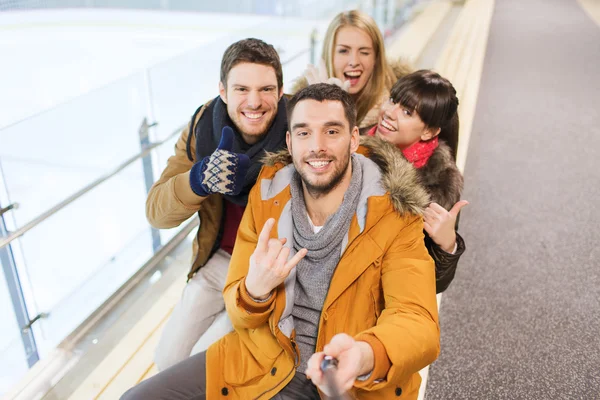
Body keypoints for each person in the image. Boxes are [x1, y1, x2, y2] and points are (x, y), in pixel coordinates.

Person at [122, 83, 439, 399]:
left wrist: (366, 353)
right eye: (303, 133)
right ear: (290, 141)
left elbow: (417, 321)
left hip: (340, 381)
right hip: (263, 359)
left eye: (331, 132)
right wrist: (254, 292)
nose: (317, 146)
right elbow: (238, 307)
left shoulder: (395, 212)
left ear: (354, 139)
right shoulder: (268, 193)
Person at [147, 38, 289, 371]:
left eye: (266, 89)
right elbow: (156, 212)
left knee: (205, 367)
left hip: (272, 271)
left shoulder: (298, 127)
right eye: (242, 89)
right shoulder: (202, 126)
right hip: (220, 262)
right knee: (166, 361)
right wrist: (198, 180)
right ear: (222, 91)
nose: (254, 102)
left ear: (281, 92)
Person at [365, 69, 467, 293]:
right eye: (392, 100)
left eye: (407, 112)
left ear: (429, 132)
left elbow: (434, 284)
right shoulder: (353, 144)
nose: (389, 113)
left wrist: (447, 245)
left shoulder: (441, 184)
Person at [292, 10, 412, 130]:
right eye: (344, 51)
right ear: (330, 55)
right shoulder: (299, 106)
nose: (354, 62)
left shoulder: (401, 110)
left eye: (364, 52)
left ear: (376, 58)